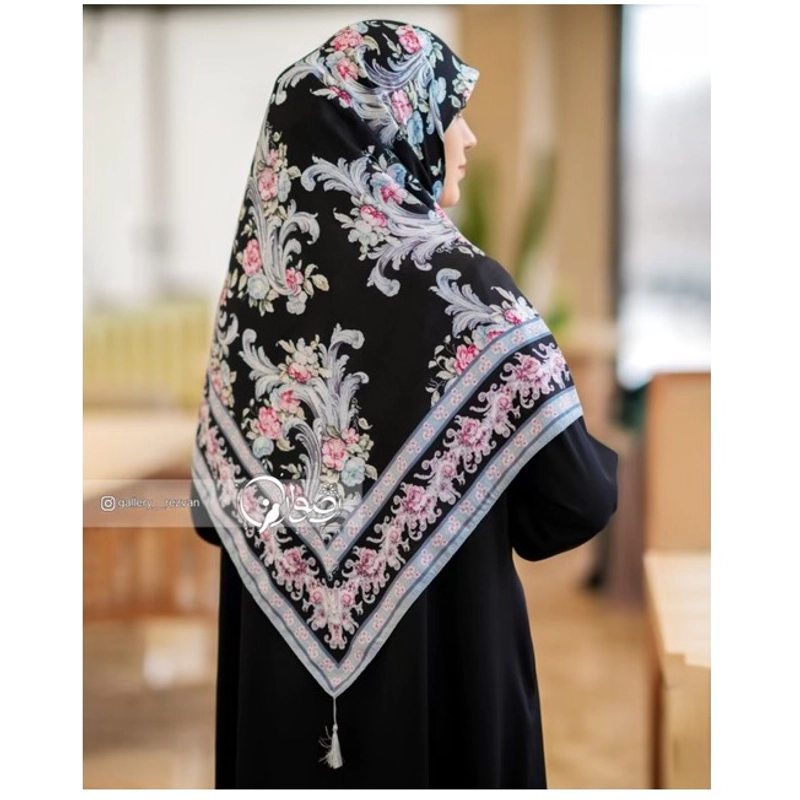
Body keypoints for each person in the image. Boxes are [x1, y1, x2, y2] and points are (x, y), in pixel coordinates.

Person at [189, 18, 618, 789]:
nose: (468, 138)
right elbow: (575, 501)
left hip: (283, 711)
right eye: (451, 113)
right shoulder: (468, 296)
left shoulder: (255, 309)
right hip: (452, 687)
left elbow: (211, 515)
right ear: (393, 127)